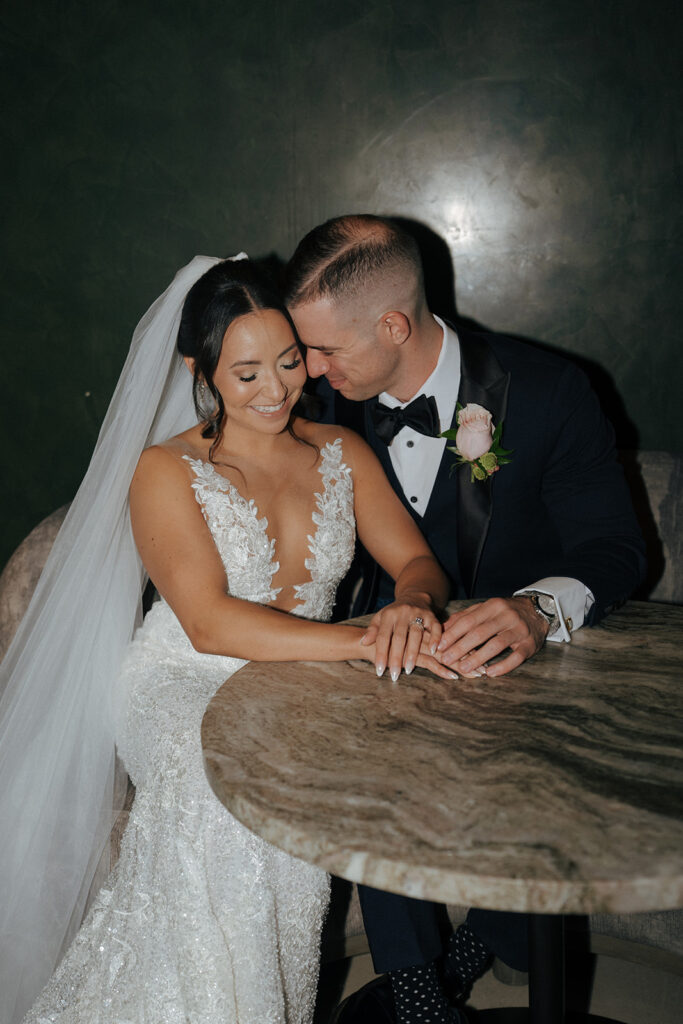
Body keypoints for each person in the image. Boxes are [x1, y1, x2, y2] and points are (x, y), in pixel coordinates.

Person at [0, 255, 464, 1024]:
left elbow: (416, 562)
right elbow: (208, 624)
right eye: (246, 373)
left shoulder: (339, 454)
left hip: (301, 677)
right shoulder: (163, 469)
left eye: (288, 362)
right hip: (182, 676)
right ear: (200, 369)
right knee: (218, 785)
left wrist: (411, 606)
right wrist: (357, 643)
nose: (278, 389)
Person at [285, 214, 647, 1022]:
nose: (304, 369)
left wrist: (535, 611)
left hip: (523, 665)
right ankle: (418, 992)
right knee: (367, 748)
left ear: (392, 325)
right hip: (374, 658)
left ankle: (493, 935)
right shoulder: (312, 400)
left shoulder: (547, 391)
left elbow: (617, 549)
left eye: (322, 351)